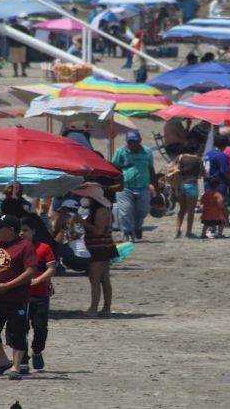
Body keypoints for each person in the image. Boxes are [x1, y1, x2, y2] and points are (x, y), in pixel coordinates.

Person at [0, 215, 38, 381]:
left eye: (0, 227)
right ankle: (3, 361)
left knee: (17, 333)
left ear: (11, 230)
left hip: (16, 297)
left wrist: (9, 285)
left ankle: (16, 366)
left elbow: (30, 271)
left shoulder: (25, 246)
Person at [18, 216, 57, 372]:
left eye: (25, 230)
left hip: (40, 295)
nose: (22, 233)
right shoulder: (15, 249)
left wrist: (39, 280)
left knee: (40, 327)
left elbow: (51, 268)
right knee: (21, 328)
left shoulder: (44, 248)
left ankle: (37, 351)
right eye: (19, 230)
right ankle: (23, 360)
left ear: (33, 231)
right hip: (20, 295)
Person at [72, 183, 117, 318]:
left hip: (100, 247)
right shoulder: (96, 209)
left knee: (95, 278)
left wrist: (82, 221)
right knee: (103, 278)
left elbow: (98, 230)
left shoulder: (100, 210)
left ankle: (93, 309)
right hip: (101, 247)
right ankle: (106, 309)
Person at [111, 130, 155, 242]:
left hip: (143, 186)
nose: (132, 144)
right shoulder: (120, 151)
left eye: (135, 141)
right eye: (130, 142)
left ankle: (137, 227)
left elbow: (151, 169)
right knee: (125, 211)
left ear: (140, 141)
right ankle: (127, 233)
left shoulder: (147, 152)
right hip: (125, 187)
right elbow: (113, 167)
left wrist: (156, 188)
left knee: (143, 210)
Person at [174, 141, 205, 239]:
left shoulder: (180, 157)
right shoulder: (198, 159)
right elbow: (203, 173)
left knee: (182, 209)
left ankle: (178, 230)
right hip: (191, 185)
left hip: (180, 185)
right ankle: (188, 232)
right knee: (190, 211)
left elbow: (174, 169)